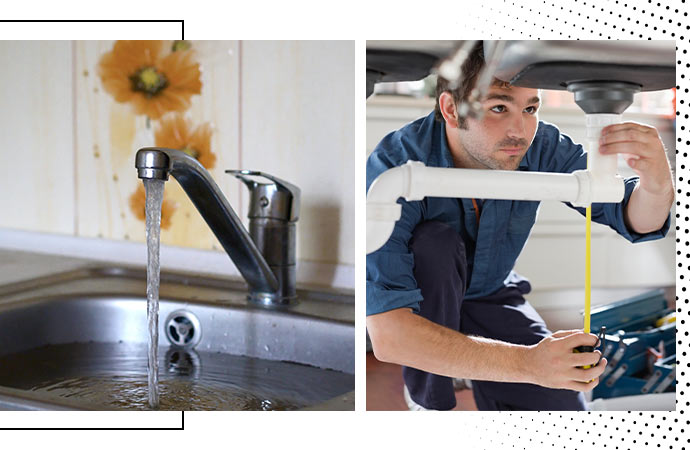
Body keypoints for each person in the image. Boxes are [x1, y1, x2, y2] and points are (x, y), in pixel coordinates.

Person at [366, 42, 674, 411]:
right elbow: (390, 337)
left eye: (530, 108)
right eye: (499, 107)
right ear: (451, 109)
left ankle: (470, 361)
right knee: (436, 242)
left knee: (563, 407)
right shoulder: (393, 167)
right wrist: (527, 364)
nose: (519, 130)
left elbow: (632, 217)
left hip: (491, 291)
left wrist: (657, 184)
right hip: (420, 298)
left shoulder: (540, 144)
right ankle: (428, 396)